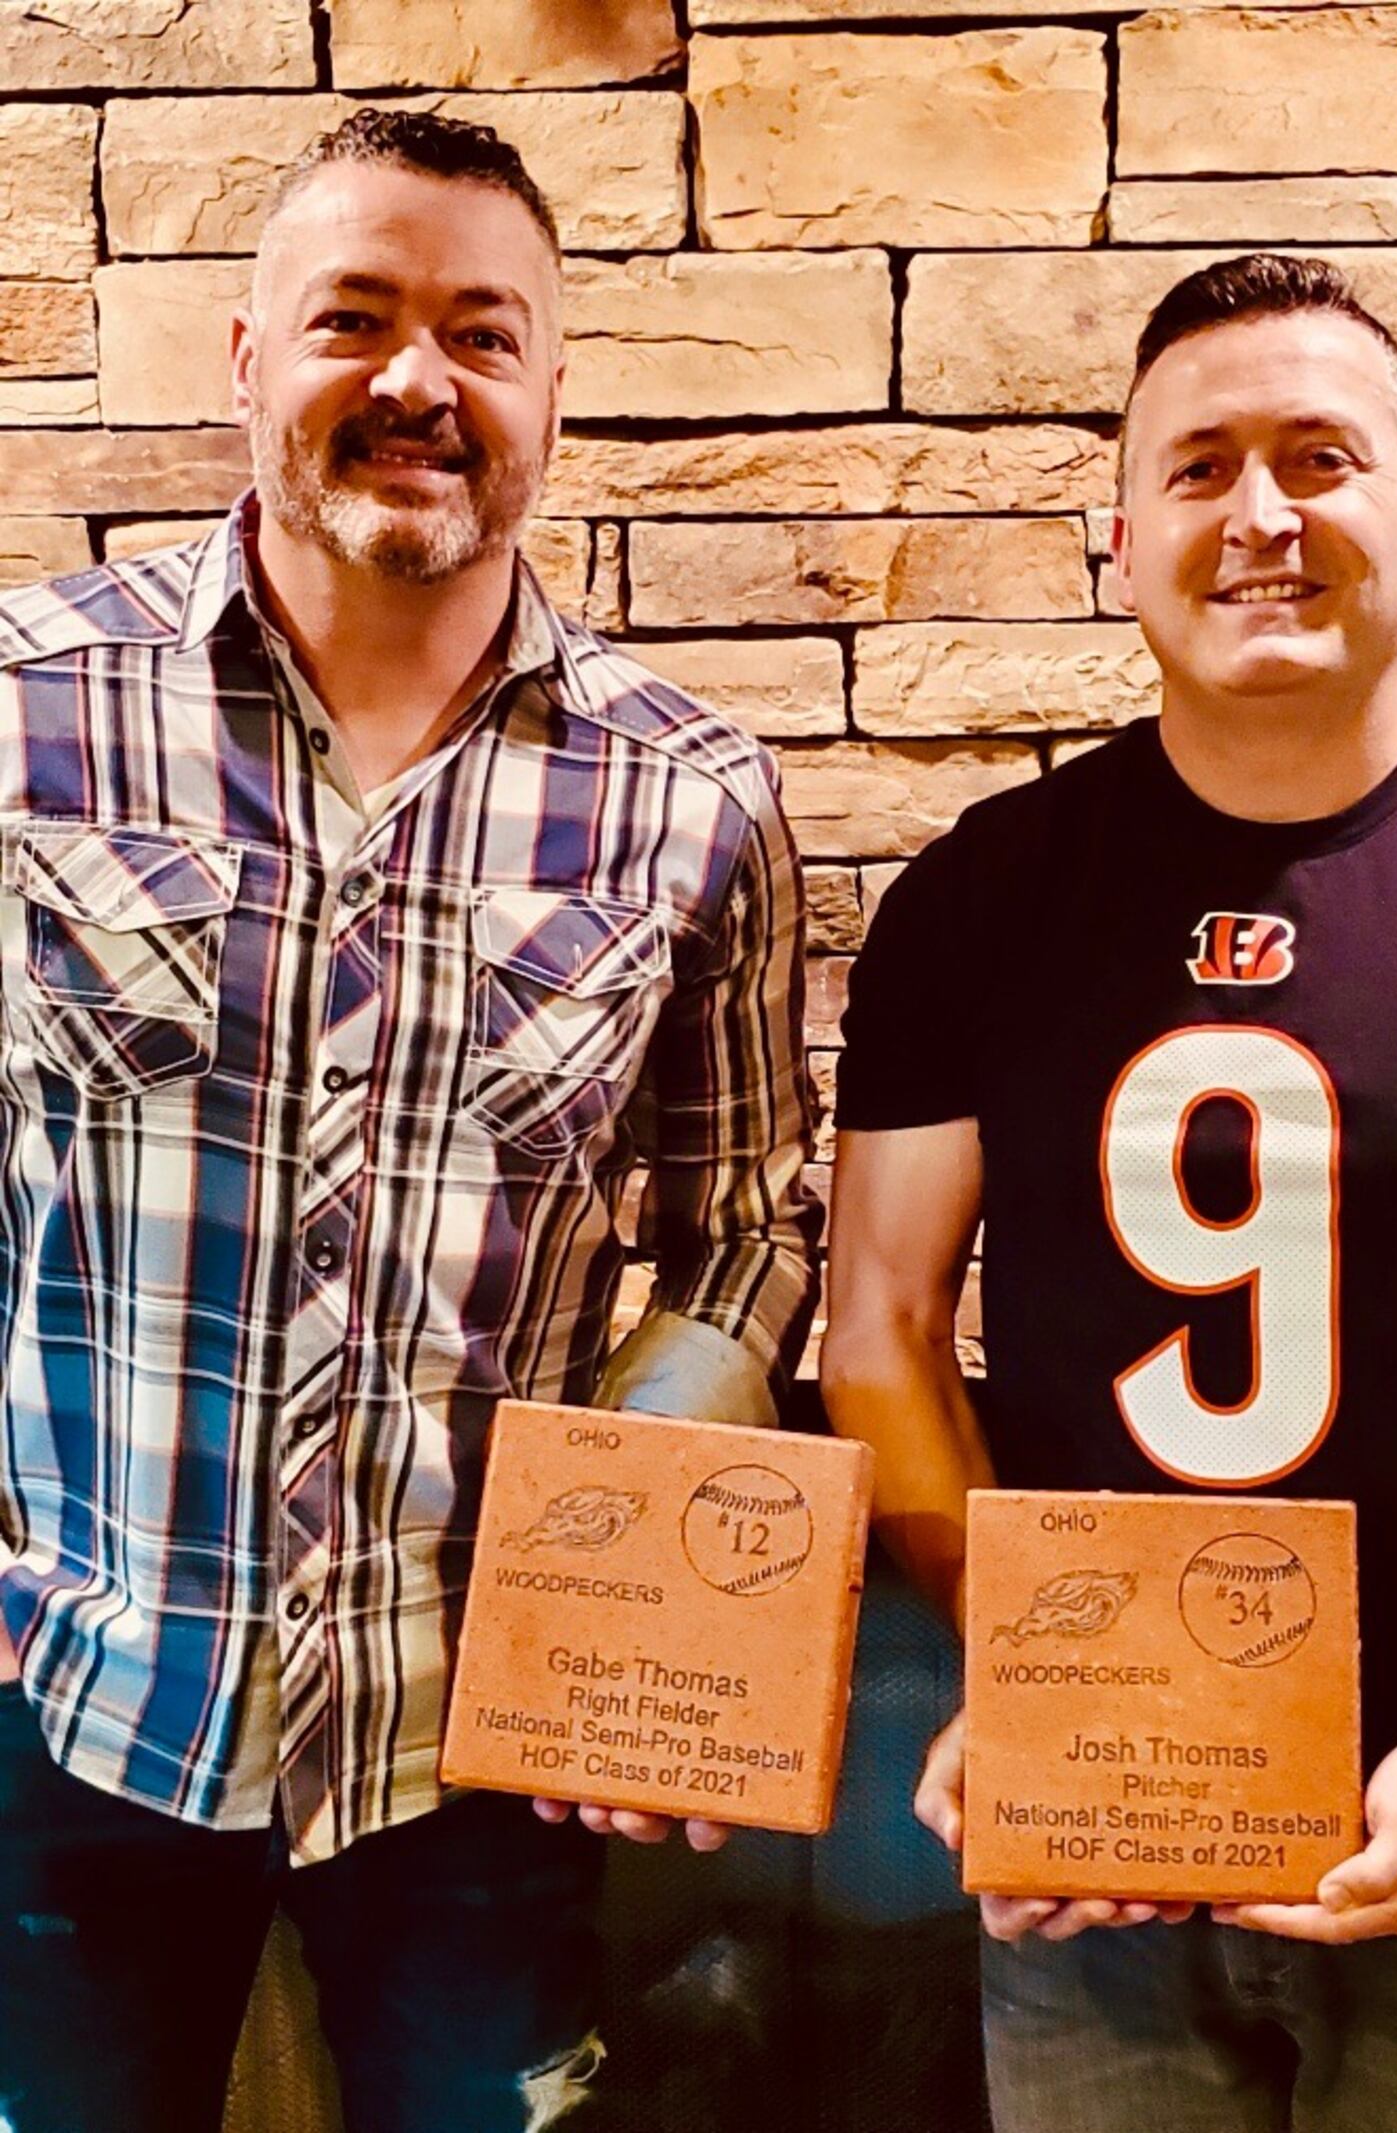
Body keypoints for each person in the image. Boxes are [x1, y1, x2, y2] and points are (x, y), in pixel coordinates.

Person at [0, 108, 819, 2133]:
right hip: (66, 1719)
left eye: (482, 332)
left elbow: (744, 1228)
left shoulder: (690, 800)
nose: (416, 382)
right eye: (352, 320)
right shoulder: (26, 716)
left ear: (549, 386)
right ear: (245, 360)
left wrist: (643, 1585)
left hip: (478, 1760)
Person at [821, 253, 1397, 2130]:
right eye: (1202, 465)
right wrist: (1024, 1676)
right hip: (1097, 1872)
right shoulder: (980, 899)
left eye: (1321, 459)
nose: (1263, 512)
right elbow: (882, 1332)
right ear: (1116, 535)